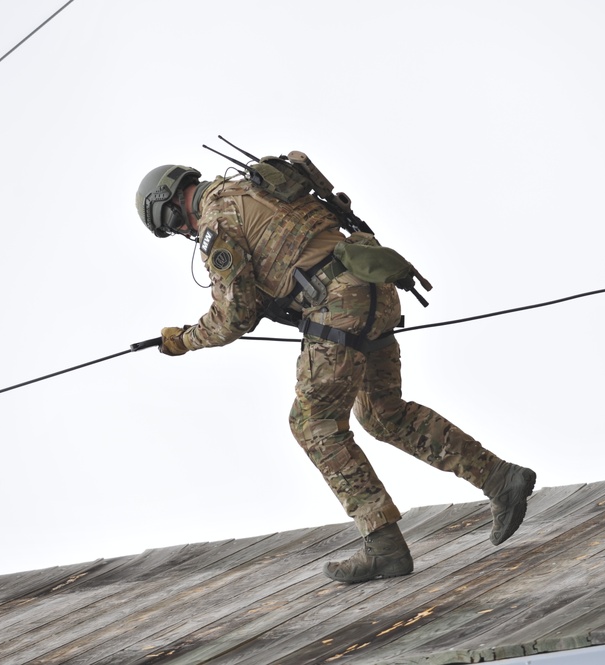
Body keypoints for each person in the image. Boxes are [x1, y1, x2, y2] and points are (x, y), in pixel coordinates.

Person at [135, 162, 536, 583]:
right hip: (372, 290)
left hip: (337, 307)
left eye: (175, 229)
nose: (184, 234)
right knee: (383, 413)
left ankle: (383, 546)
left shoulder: (219, 220)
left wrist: (183, 340)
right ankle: (501, 479)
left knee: (312, 423)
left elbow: (233, 315)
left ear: (170, 210)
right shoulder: (254, 188)